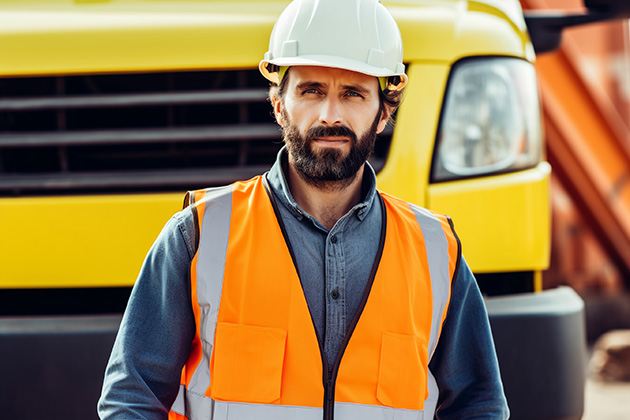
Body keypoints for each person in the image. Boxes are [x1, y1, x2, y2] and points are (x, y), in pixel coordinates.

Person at [98, 0, 509, 418]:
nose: (331, 115)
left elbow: (479, 404)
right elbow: (131, 397)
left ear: (383, 111)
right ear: (279, 104)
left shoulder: (435, 252)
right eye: (312, 90)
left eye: (353, 93)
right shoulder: (199, 235)